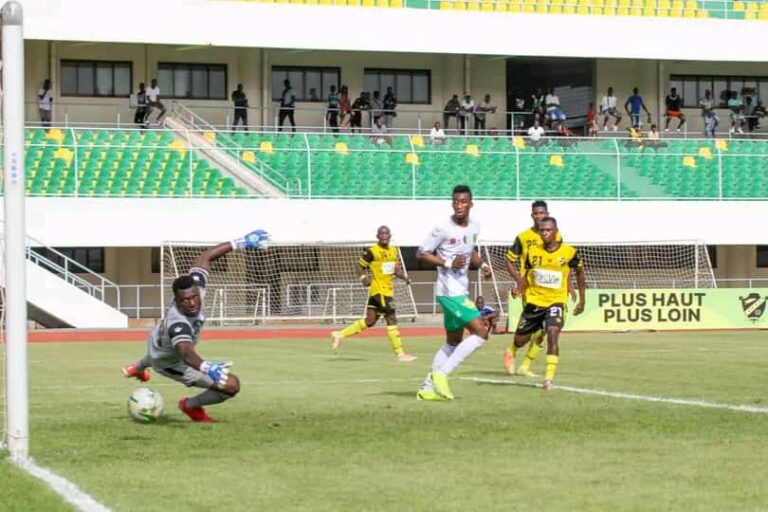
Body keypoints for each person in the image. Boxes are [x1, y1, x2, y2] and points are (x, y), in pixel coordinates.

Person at [122, 229, 270, 422]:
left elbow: (205, 257)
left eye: (194, 297)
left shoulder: (197, 285)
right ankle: (189, 406)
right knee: (231, 385)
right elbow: (185, 351)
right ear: (176, 300)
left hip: (157, 342)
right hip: (170, 362)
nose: (191, 303)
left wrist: (239, 243)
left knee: (156, 353)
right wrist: (207, 367)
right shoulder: (178, 324)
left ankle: (138, 367)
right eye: (185, 300)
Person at [415, 185, 493, 401]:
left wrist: (484, 265)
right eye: (455, 201)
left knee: (452, 342)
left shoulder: (475, 226)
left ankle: (426, 388)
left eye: (463, 201)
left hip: (460, 289)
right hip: (450, 292)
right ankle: (441, 375)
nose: (459, 205)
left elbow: (470, 251)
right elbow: (421, 253)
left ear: (471, 204)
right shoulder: (442, 228)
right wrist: (447, 261)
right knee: (481, 332)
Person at [507, 217, 585, 390]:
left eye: (548, 230)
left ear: (555, 232)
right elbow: (528, 274)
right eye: (542, 230)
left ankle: (548, 379)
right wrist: (519, 286)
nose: (544, 233)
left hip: (556, 301)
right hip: (534, 301)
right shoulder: (533, 252)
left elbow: (579, 272)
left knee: (552, 332)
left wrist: (581, 298)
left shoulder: (569, 252)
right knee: (521, 340)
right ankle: (512, 351)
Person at [331, 226, 417, 363]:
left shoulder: (393, 250)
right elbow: (359, 266)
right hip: (380, 290)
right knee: (391, 318)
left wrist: (405, 277)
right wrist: (363, 279)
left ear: (390, 236)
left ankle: (340, 334)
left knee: (370, 321)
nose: (384, 236)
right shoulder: (372, 251)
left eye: (386, 233)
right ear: (377, 236)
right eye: (381, 234)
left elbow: (395, 269)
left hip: (385, 290)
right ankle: (400, 354)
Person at [502, 200, 563, 376]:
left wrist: (568, 285)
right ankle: (512, 351)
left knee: (545, 329)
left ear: (547, 213)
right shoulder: (523, 237)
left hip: (552, 292)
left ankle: (526, 366)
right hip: (531, 290)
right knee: (529, 332)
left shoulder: (556, 235)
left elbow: (562, 261)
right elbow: (509, 260)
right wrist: (519, 282)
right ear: (532, 215)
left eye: (542, 213)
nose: (539, 216)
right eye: (536, 214)